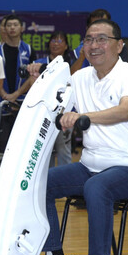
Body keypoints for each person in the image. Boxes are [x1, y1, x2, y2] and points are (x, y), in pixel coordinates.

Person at [27, 19, 128, 255]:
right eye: (88, 39)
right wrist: (40, 80)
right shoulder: (79, 78)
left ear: (119, 45)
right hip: (89, 165)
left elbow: (124, 111)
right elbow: (51, 103)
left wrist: (83, 116)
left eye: (102, 39)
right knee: (41, 182)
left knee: (97, 187)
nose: (94, 45)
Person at [0, 14, 36, 152]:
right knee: (2, 144)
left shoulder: (28, 50)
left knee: (22, 145)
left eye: (15, 25)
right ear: (4, 28)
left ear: (22, 28)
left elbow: (33, 77)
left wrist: (16, 94)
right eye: (9, 25)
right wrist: (5, 95)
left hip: (22, 104)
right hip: (1, 103)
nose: (12, 28)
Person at [34, 31, 77, 167]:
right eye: (53, 40)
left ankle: (66, 182)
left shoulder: (71, 65)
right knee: (45, 151)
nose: (56, 43)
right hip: (44, 113)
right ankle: (47, 181)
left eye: (60, 41)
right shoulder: (39, 64)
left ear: (66, 46)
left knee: (63, 150)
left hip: (65, 114)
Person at [71, 8, 128, 74]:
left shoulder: (117, 46)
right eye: (94, 24)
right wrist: (82, 57)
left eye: (103, 23)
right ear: (87, 28)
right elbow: (71, 78)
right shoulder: (80, 49)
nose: (94, 46)